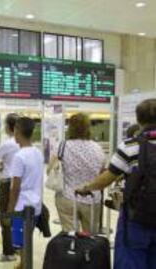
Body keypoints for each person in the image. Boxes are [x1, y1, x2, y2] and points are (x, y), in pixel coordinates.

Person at [76, 99, 156, 269]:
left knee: (131, 260)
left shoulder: (130, 146)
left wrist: (86, 187)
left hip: (137, 218)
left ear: (139, 120)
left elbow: (107, 177)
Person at [48, 113, 105, 233]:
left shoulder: (63, 146)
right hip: (92, 198)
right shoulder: (97, 148)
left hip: (68, 197)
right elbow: (102, 172)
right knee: (90, 237)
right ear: (88, 127)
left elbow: (49, 169)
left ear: (70, 128)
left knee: (70, 236)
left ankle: (72, 251)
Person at [7, 117, 44, 269]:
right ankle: (23, 263)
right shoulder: (37, 152)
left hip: (22, 206)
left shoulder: (19, 156)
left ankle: (25, 265)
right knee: (26, 240)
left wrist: (9, 210)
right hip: (35, 205)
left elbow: (15, 187)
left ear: (17, 131)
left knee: (21, 241)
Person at [0, 113, 20, 262]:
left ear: (8, 127)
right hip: (21, 183)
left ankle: (8, 252)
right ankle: (17, 247)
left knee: (5, 216)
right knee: (17, 217)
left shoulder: (7, 144)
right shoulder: (23, 143)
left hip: (7, 184)